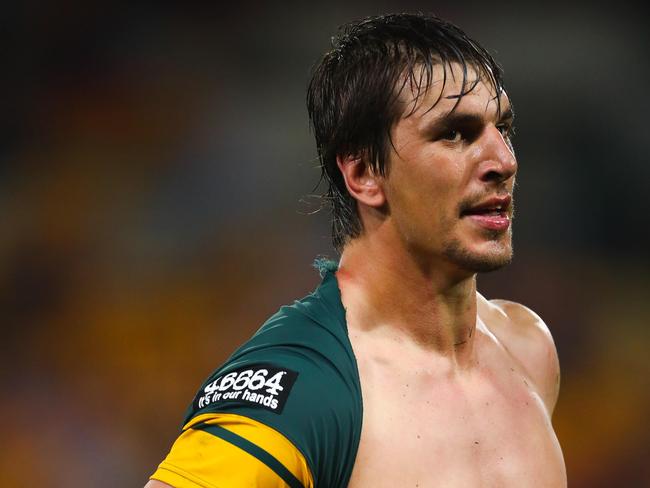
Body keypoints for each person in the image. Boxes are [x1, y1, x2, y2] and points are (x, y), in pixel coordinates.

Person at [146, 12, 566, 487]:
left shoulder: (528, 348)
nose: (503, 161)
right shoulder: (304, 388)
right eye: (454, 133)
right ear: (364, 173)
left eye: (502, 128)